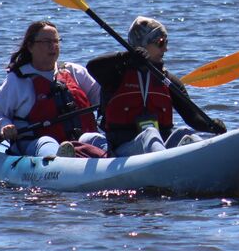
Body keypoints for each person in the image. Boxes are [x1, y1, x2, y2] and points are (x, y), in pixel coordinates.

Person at [86, 16, 226, 156]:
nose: (166, 48)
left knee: (185, 134)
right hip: (123, 150)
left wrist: (211, 125)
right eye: (161, 42)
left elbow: (192, 118)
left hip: (160, 147)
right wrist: (127, 56)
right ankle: (168, 164)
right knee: (150, 133)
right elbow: (92, 66)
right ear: (142, 45)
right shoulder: (116, 76)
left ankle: (213, 157)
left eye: (166, 42)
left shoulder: (168, 80)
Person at [0, 20, 105, 157]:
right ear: (30, 46)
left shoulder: (74, 71)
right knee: (46, 142)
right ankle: (60, 162)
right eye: (46, 42)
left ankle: (110, 157)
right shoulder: (18, 81)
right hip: (36, 144)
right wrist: (4, 126)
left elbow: (104, 97)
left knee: (94, 138)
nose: (53, 46)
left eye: (56, 41)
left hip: (80, 140)